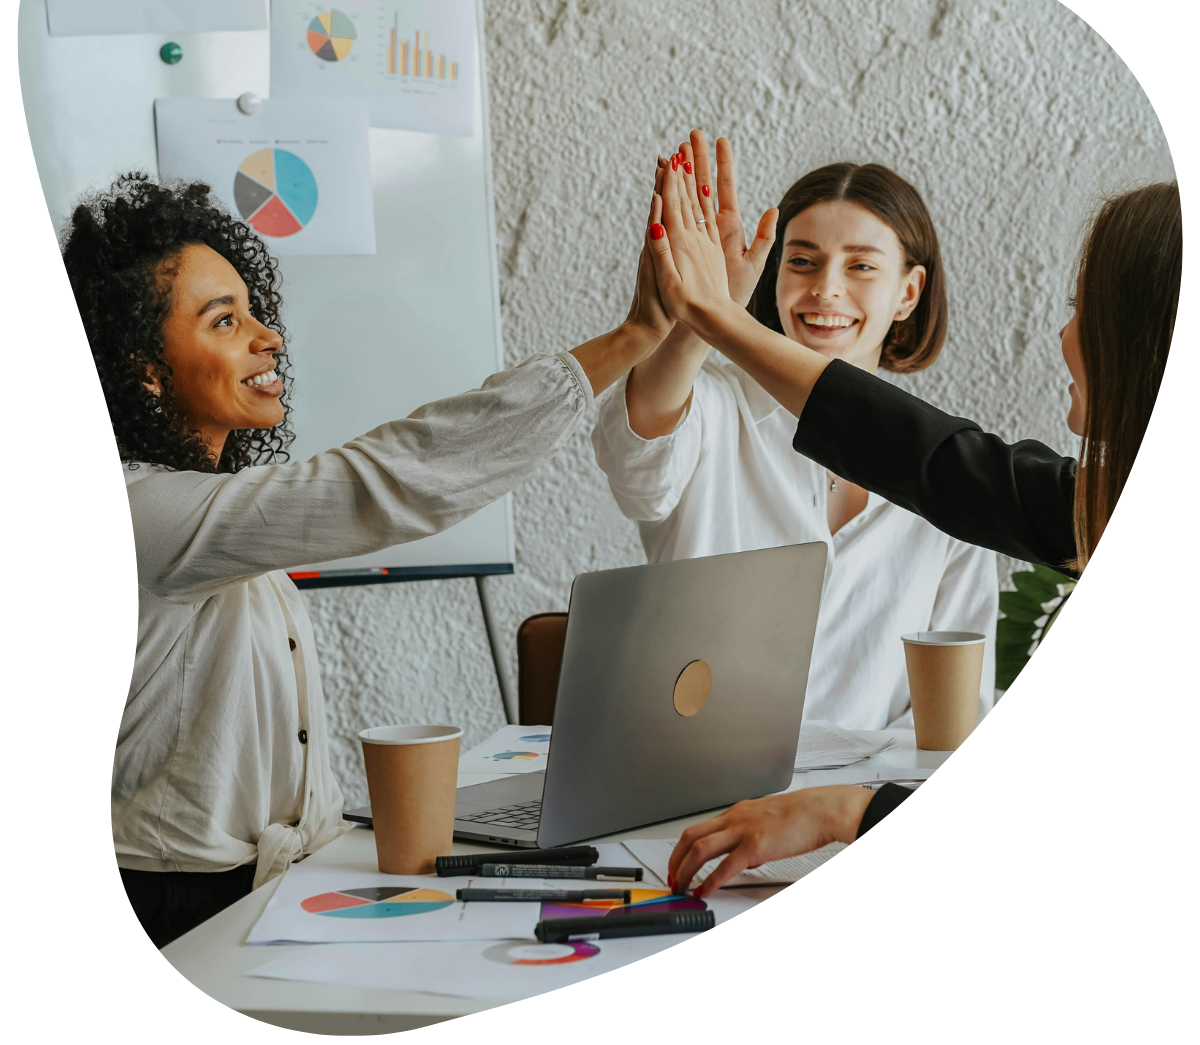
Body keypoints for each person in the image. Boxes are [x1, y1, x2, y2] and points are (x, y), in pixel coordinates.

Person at [63, 172, 674, 947]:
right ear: (143, 369)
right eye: (224, 322)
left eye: (255, 311)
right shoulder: (137, 511)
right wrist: (631, 338)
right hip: (174, 907)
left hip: (266, 884)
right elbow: (381, 483)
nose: (268, 336)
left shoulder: (205, 505)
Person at [645, 155, 1180, 895]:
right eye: (803, 260)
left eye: (1086, 309)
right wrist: (711, 322)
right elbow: (931, 457)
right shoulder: (1099, 506)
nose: (1063, 334)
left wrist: (847, 810)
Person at [593, 132, 996, 730]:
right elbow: (636, 464)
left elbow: (956, 712)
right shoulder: (711, 407)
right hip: (692, 796)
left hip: (858, 808)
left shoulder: (950, 468)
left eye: (861, 265)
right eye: (802, 260)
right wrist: (704, 313)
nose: (826, 288)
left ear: (908, 293)